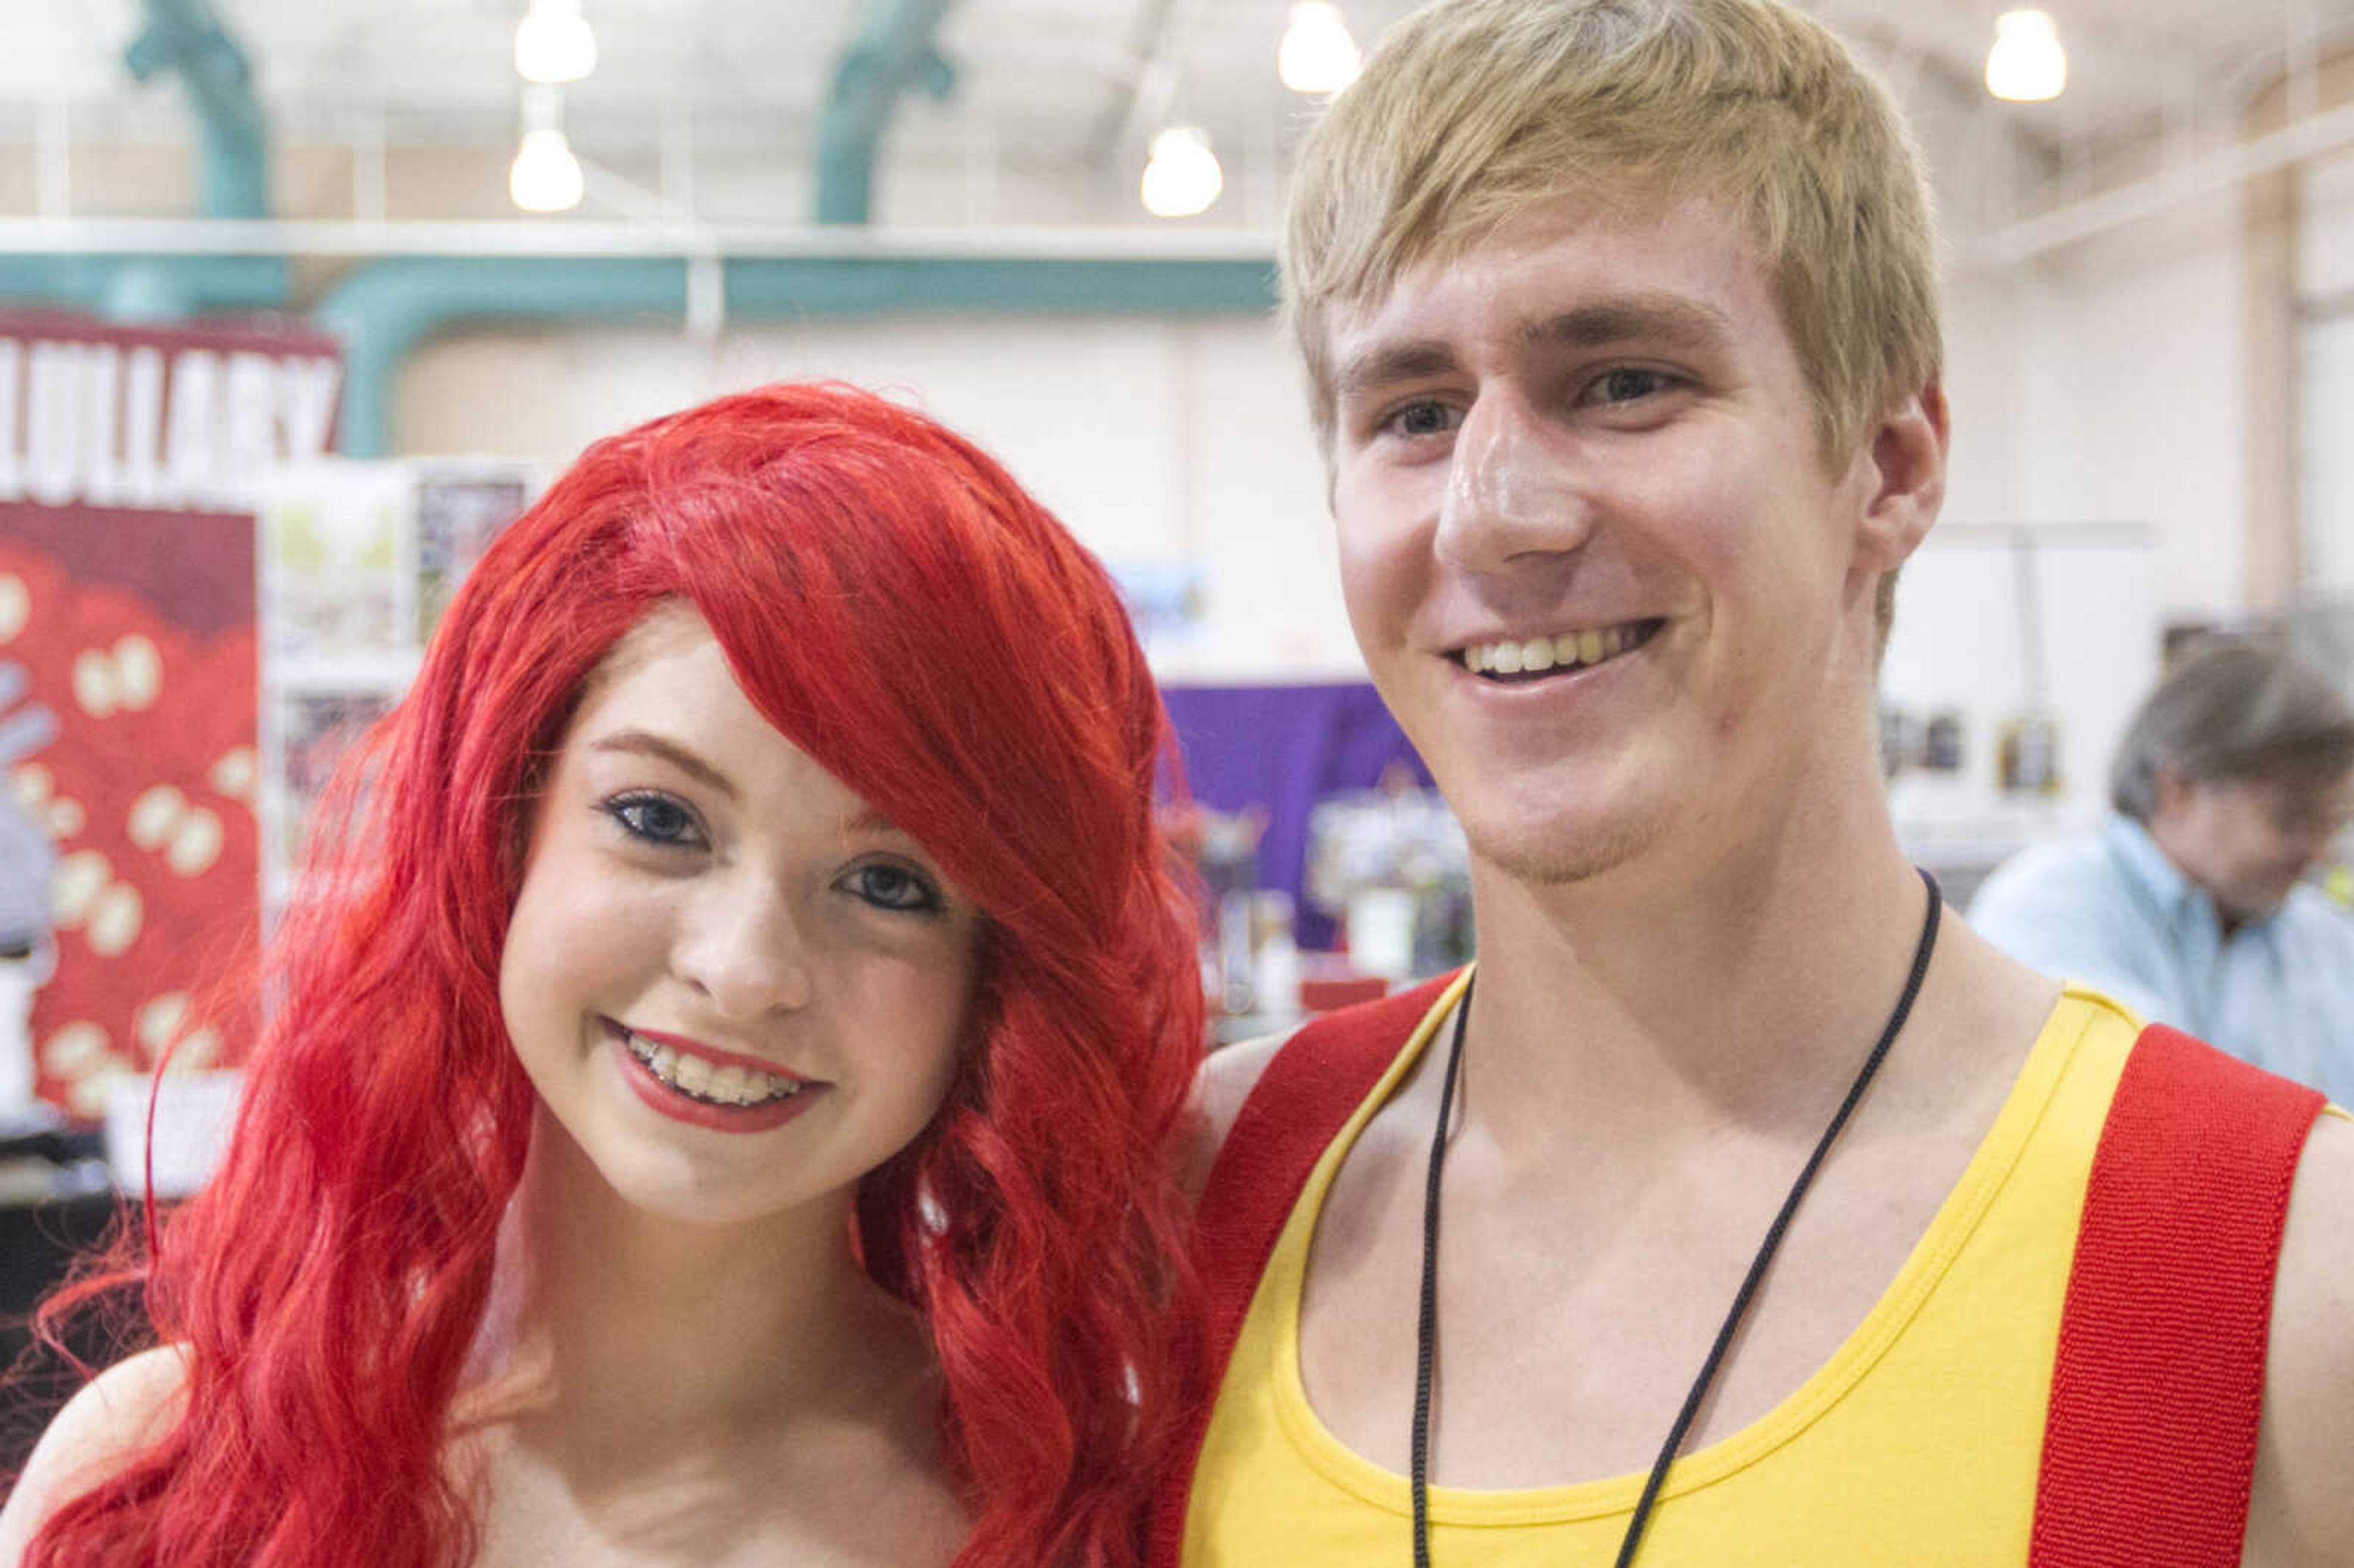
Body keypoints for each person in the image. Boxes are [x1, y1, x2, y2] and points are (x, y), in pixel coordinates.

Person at [1153, 2, 2354, 1565]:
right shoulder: (1187, 1200)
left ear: (1893, 461)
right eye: (1413, 413)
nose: (1491, 512)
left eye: (1624, 381)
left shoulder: (2280, 1279)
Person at [0, 383, 1206, 1568]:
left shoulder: (1078, 1517)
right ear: (501, 831)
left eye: (891, 885)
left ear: (994, 978)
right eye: (658, 817)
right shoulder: (165, 1479)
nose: (742, 969)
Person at [1972, 640, 2354, 1103]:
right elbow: (2150, 1108)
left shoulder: (2323, 938)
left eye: (2330, 823)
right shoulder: (2046, 909)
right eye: (2291, 819)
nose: (2319, 852)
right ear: (2177, 790)